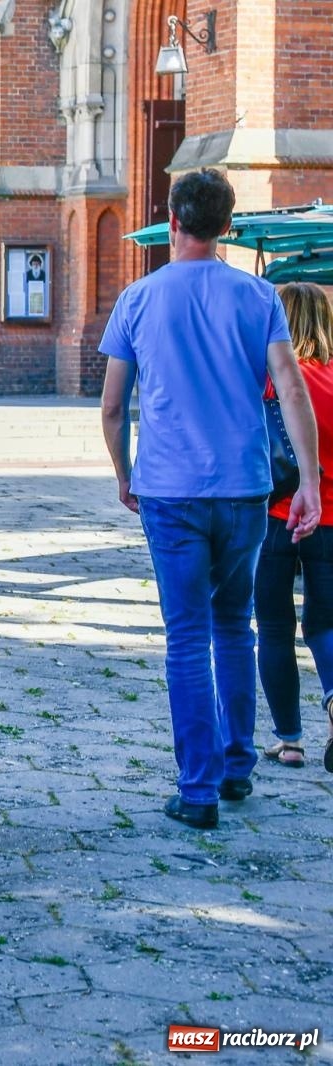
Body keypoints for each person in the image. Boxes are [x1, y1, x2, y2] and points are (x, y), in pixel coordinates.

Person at [101, 168, 320, 829]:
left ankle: (196, 789)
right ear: (228, 226)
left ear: (173, 220)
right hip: (246, 489)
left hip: (170, 488)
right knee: (235, 626)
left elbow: (113, 406)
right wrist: (308, 480)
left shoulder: (137, 298)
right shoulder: (258, 297)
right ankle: (237, 766)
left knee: (186, 636)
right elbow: (291, 387)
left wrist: (123, 471)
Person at [255, 283, 333, 771]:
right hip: (331, 518)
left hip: (277, 515)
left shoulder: (275, 381)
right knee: (327, 622)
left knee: (275, 626)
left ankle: (289, 741)